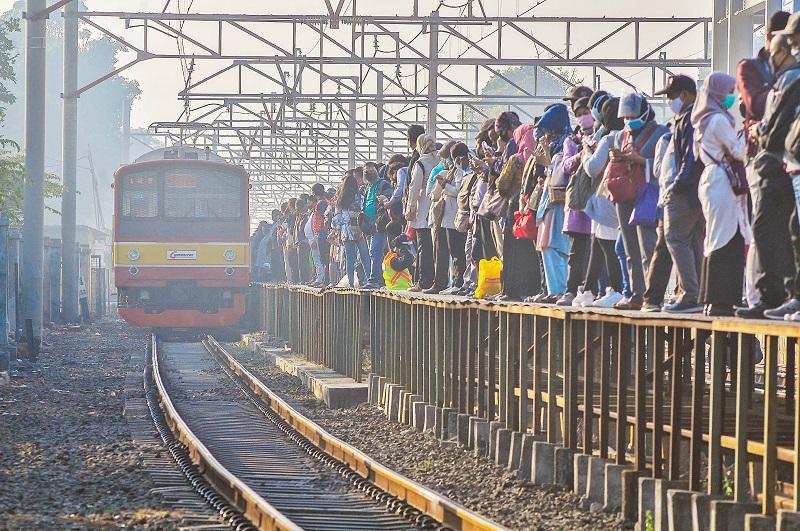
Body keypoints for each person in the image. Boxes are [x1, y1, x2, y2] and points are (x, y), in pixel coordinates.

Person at [738, 31, 800, 319]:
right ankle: (782, 296)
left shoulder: (789, 80)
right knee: (786, 230)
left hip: (779, 163)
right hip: (785, 163)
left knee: (771, 231)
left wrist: (760, 134)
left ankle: (776, 297)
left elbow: (774, 125)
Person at [693, 72, 749, 316]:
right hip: (721, 180)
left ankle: (711, 297)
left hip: (711, 179)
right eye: (728, 92)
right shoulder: (717, 120)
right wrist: (752, 136)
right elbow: (737, 151)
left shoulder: (703, 120)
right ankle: (722, 298)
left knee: (716, 237)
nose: (731, 97)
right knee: (727, 236)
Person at [609, 91, 669, 310]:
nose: (628, 121)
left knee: (648, 247)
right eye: (624, 117)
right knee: (629, 248)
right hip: (623, 194)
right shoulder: (620, 136)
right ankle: (635, 293)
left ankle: (652, 295)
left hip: (647, 193)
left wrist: (641, 160)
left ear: (644, 112)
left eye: (631, 116)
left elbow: (664, 165)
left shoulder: (661, 133)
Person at [656, 75, 706, 313]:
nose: (669, 101)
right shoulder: (699, 116)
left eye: (671, 96)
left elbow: (689, 157)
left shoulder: (687, 119)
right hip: (698, 192)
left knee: (676, 239)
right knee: (694, 241)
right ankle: (698, 294)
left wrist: (676, 185)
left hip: (685, 191)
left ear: (684, 95)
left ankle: (690, 295)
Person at [576, 96, 625, 307]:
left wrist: (587, 152)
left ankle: (615, 288)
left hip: (606, 197)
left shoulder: (608, 139)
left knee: (607, 245)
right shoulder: (625, 136)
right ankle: (588, 289)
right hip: (619, 196)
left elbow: (592, 168)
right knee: (598, 245)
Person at [532, 104, 572, 302]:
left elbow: (558, 174)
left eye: (547, 129)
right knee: (548, 246)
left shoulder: (566, 143)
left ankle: (560, 288)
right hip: (549, 203)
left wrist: (546, 158)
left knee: (557, 246)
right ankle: (553, 288)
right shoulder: (556, 144)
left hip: (558, 203)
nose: (545, 134)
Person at [557, 96, 595, 306]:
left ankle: (591, 289)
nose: (582, 118)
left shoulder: (602, 135)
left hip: (596, 198)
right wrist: (582, 154)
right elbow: (566, 166)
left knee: (597, 249)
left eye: (585, 112)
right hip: (578, 200)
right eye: (578, 114)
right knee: (577, 250)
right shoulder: (571, 140)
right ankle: (571, 290)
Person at [405, 133, 438, 291]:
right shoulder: (439, 161)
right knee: (436, 247)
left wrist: (410, 209)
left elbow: (414, 187)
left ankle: (423, 281)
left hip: (423, 207)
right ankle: (435, 280)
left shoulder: (421, 163)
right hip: (439, 207)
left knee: (423, 247)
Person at [424, 142, 458, 293]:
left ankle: (440, 283)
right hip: (458, 217)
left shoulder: (443, 173)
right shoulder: (462, 172)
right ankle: (453, 282)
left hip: (444, 217)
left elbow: (434, 195)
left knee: (441, 250)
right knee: (457, 252)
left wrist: (440, 187)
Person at [332, 171, 371, 288]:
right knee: (365, 255)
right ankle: (369, 278)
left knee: (350, 258)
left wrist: (337, 231)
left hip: (346, 230)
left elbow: (337, 218)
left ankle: (350, 283)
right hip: (359, 228)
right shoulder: (360, 197)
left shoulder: (341, 200)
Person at [362, 161, 394, 289]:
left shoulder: (383, 184)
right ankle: (377, 279)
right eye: (366, 171)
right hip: (368, 225)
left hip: (379, 222)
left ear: (376, 171)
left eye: (371, 170)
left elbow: (388, 198)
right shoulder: (368, 187)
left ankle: (374, 280)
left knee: (375, 251)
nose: (368, 173)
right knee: (373, 253)